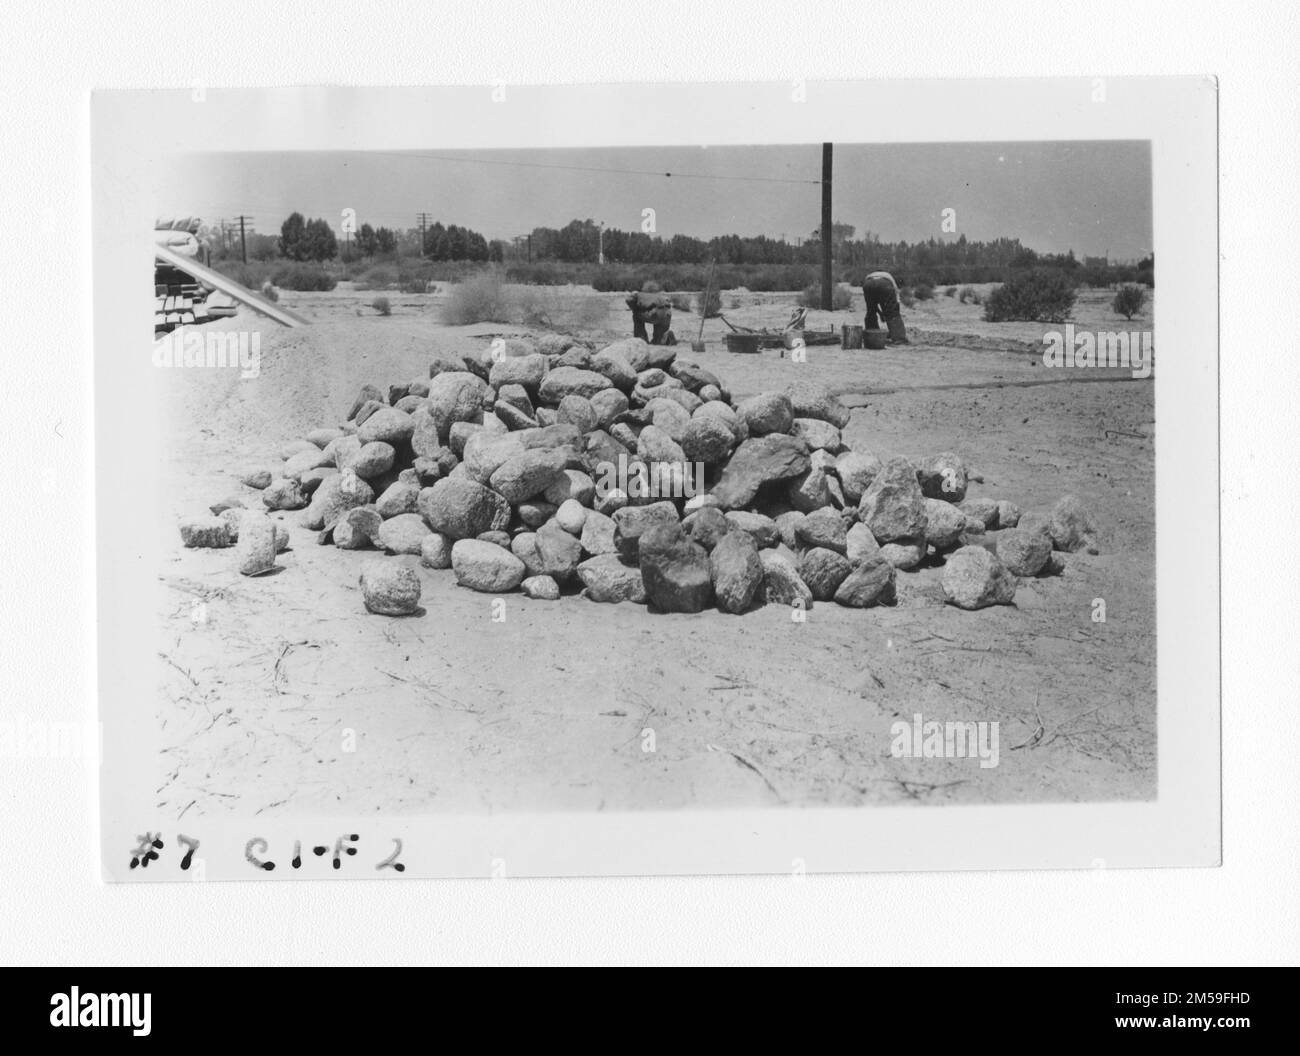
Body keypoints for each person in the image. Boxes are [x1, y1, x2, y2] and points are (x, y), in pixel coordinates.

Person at [862, 270, 909, 344]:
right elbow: (896, 306)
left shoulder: (880, 275)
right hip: (884, 284)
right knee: (893, 314)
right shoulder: (893, 284)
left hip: (868, 284)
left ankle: (872, 335)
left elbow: (874, 305)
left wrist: (881, 314)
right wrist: (888, 314)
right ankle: (899, 338)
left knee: (871, 311)